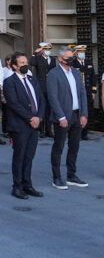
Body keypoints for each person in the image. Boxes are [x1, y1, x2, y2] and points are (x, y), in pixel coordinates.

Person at [3, 52, 45, 199]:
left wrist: (39, 117)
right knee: (19, 156)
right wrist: (30, 118)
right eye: (21, 63)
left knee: (29, 156)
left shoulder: (32, 80)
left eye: (26, 62)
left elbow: (40, 99)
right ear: (14, 66)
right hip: (20, 125)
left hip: (34, 124)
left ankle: (27, 184)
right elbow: (14, 104)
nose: (25, 65)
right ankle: (17, 186)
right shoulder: (9, 82)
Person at [47, 46, 89, 190]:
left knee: (74, 147)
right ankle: (57, 177)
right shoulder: (53, 74)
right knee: (58, 147)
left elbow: (82, 94)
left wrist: (84, 114)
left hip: (76, 115)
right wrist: (61, 116)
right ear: (60, 59)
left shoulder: (76, 73)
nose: (71, 60)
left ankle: (71, 175)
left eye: (72, 57)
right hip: (63, 117)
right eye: (68, 58)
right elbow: (53, 97)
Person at [30, 42, 57, 137]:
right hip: (41, 86)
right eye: (46, 49)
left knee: (49, 109)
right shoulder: (38, 58)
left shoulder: (52, 59)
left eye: (49, 49)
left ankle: (49, 130)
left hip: (50, 86)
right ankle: (41, 130)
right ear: (42, 50)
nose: (48, 51)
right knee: (42, 108)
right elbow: (31, 62)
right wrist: (35, 53)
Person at [72, 44, 96, 140]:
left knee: (87, 111)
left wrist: (94, 91)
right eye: (80, 52)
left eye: (83, 52)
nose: (82, 53)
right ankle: (78, 131)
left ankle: (85, 133)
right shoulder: (73, 63)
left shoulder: (88, 62)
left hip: (88, 91)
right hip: (77, 91)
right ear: (76, 53)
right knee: (78, 111)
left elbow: (93, 77)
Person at [1, 54, 14, 137]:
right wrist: (2, 96)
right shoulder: (3, 70)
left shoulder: (14, 70)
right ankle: (5, 130)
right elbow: (1, 83)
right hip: (5, 93)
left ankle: (11, 130)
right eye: (9, 60)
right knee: (5, 113)